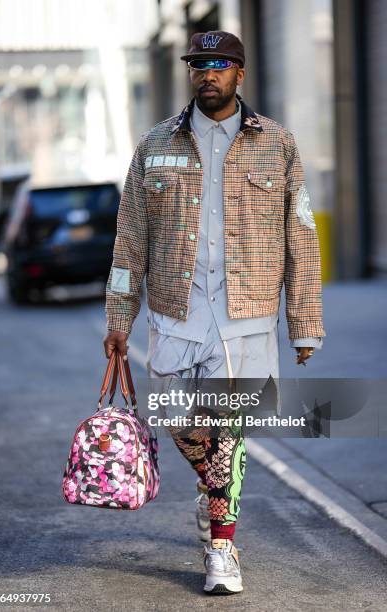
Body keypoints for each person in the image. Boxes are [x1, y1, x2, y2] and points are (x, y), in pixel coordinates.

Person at [103, 30, 326, 595]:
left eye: (220, 63)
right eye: (199, 64)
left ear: (239, 74)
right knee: (181, 423)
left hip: (246, 314)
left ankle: (222, 547)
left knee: (227, 429)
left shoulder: (278, 144)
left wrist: (304, 322)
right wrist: (118, 316)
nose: (209, 73)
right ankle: (214, 490)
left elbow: (300, 237)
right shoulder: (155, 145)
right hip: (175, 314)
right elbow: (128, 238)